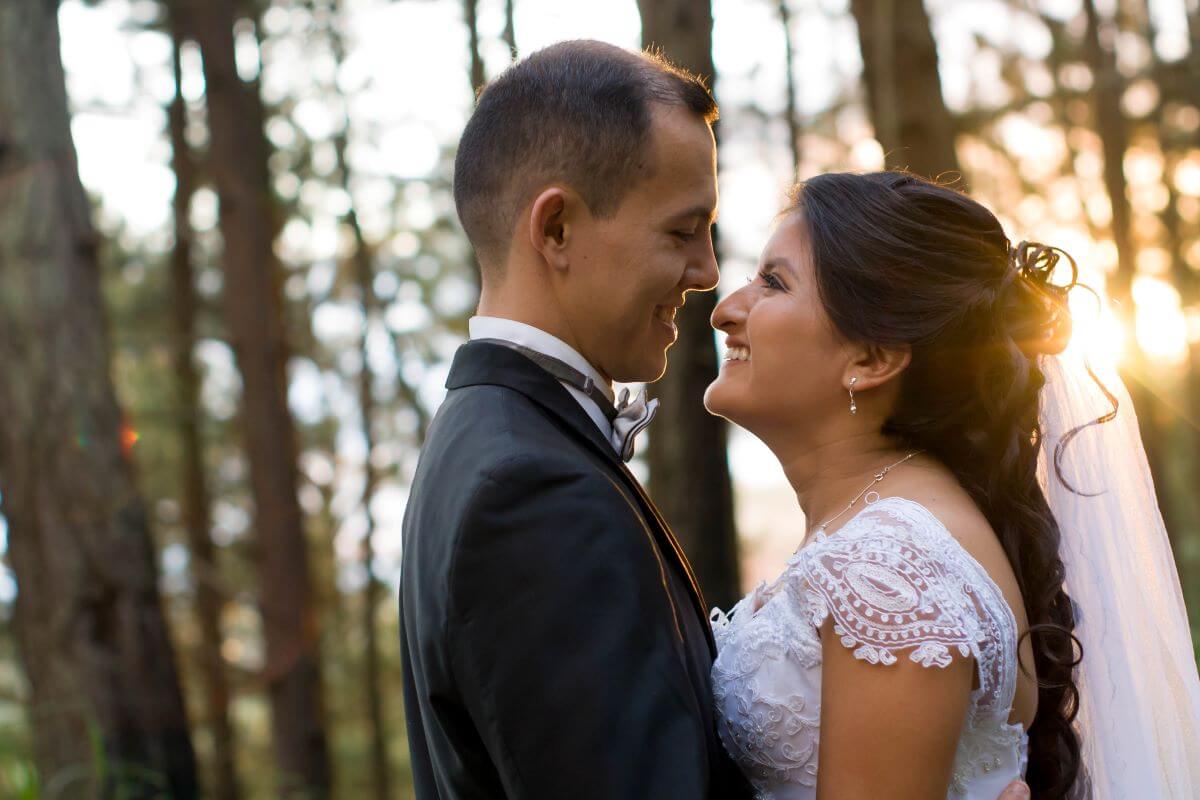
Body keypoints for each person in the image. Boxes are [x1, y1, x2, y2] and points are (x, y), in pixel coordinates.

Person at [399, 40, 1034, 799]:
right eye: (681, 231)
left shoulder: (484, 445)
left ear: (874, 356)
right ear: (556, 229)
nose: (709, 279)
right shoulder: (530, 491)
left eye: (770, 279)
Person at [704, 171, 1200, 798]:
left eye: (774, 282)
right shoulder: (886, 527)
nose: (726, 309)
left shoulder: (890, 567)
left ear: (872, 359)